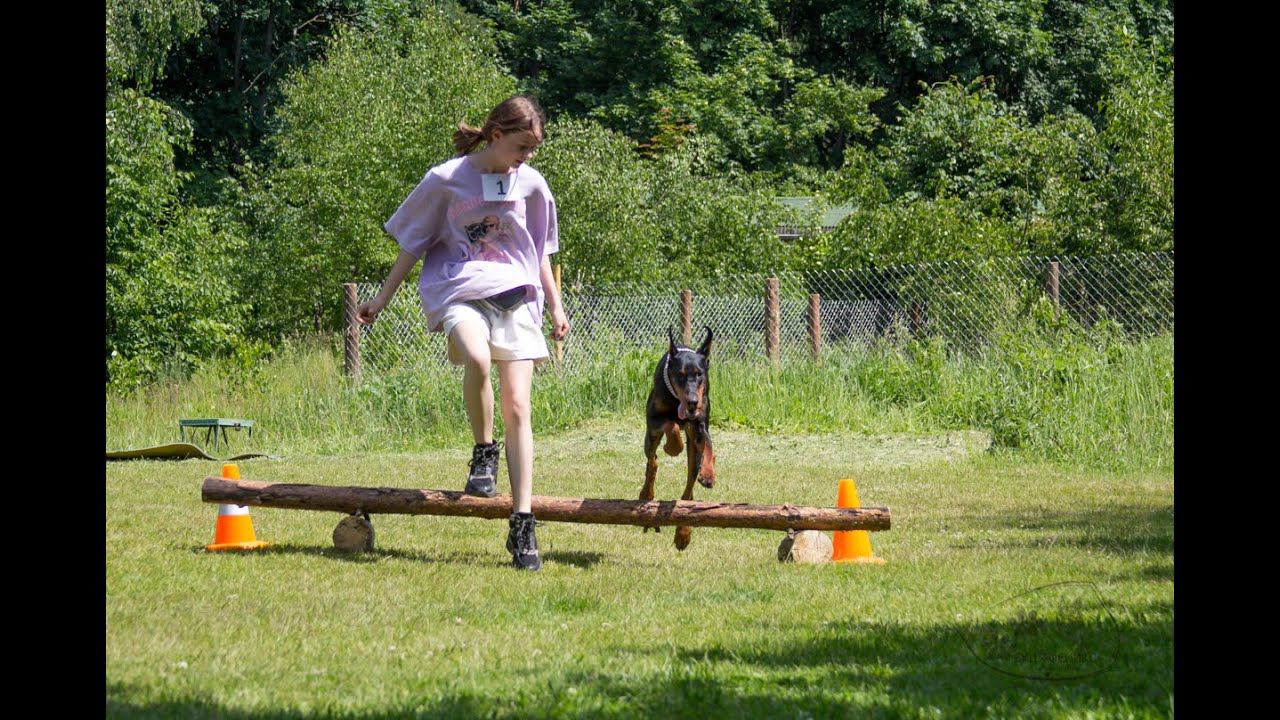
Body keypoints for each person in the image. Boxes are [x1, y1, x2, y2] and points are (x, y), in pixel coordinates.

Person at [355, 95, 570, 571]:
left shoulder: (531, 184)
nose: (527, 158)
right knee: (475, 358)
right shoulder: (446, 179)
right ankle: (483, 451)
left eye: (534, 149)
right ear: (495, 136)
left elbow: (540, 252)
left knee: (519, 406)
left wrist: (556, 305)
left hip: (518, 295)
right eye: (521, 146)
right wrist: (381, 298)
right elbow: (414, 243)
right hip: (459, 290)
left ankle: (523, 521)